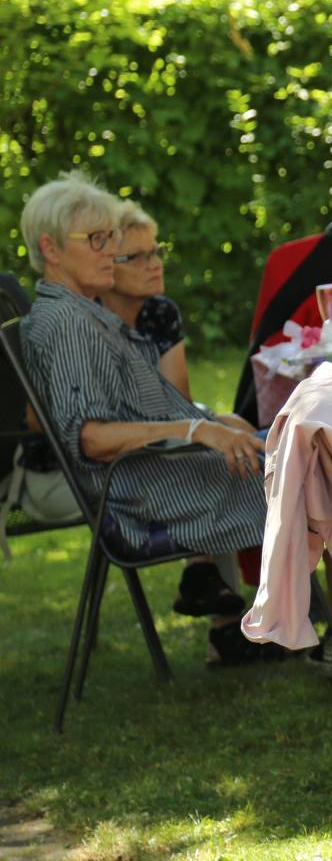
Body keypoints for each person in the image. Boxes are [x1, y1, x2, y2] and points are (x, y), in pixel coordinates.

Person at [18, 172, 276, 666]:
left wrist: (208, 429)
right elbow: (91, 438)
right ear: (51, 249)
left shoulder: (83, 312)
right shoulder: (69, 324)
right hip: (143, 494)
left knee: (310, 449)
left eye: (112, 237)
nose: (111, 251)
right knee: (318, 465)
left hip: (159, 476)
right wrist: (197, 430)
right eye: (98, 239)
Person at [101, 200, 193, 399]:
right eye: (135, 257)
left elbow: (181, 403)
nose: (155, 265)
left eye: (154, 253)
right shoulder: (87, 320)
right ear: (105, 262)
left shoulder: (161, 311)